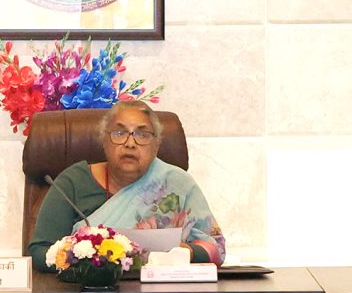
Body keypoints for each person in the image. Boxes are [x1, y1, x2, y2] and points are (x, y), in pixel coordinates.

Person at [26, 99, 225, 271]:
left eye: (142, 135)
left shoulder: (177, 183)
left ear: (156, 145)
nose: (130, 143)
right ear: (104, 140)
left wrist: (188, 252)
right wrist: (88, 257)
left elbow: (216, 249)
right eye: (120, 133)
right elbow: (39, 252)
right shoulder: (73, 182)